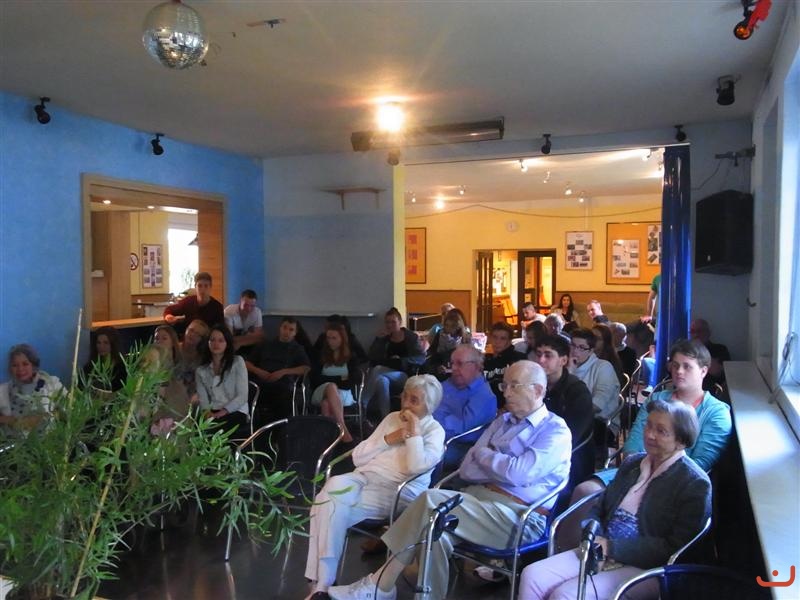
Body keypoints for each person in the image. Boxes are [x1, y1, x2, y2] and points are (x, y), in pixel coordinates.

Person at [327, 361, 572, 600]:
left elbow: (518, 473)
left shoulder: (555, 430)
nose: (506, 392)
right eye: (504, 385)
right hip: (476, 499)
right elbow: (467, 469)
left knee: (430, 500)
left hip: (520, 516)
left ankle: (380, 584)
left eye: (514, 386)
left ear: (537, 390)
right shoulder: (502, 422)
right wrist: (501, 465)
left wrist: (485, 455)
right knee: (435, 534)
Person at [520, 399, 711, 600]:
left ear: (681, 441)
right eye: (648, 425)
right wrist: (594, 539)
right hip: (600, 549)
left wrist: (613, 548)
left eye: (661, 431)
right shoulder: (633, 464)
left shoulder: (694, 483)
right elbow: (600, 507)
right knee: (532, 575)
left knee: (566, 595)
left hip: (648, 568)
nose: (649, 434)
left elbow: (675, 547)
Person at [303, 375, 445, 600]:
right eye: (405, 397)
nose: (406, 404)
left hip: (398, 490)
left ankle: (320, 583)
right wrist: (390, 438)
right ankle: (323, 583)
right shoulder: (391, 419)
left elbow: (414, 466)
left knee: (325, 507)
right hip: (363, 477)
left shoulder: (435, 431)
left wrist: (413, 433)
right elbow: (358, 457)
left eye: (414, 400)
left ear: (429, 406)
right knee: (331, 490)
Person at [571, 338, 732, 502]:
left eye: (687, 366)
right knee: (584, 490)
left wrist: (652, 477)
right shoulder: (657, 398)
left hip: (678, 483)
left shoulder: (716, 412)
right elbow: (634, 442)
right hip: (637, 470)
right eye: (675, 365)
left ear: (703, 371)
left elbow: (700, 464)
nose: (679, 371)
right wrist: (639, 473)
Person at [534, 335, 595, 493]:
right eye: (538, 354)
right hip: (536, 450)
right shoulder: (533, 386)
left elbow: (570, 437)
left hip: (569, 458)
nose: (540, 360)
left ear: (563, 360)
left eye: (548, 355)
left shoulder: (577, 392)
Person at [433, 344, 497, 469]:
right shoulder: (449, 383)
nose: (453, 368)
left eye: (459, 363)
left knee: (416, 454)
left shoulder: (484, 396)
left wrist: (428, 422)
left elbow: (460, 429)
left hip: (458, 445)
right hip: (431, 434)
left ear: (477, 366)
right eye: (452, 363)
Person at [361, 308, 425, 420]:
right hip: (385, 373)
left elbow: (421, 358)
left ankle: (362, 402)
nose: (390, 325)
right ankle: (386, 418)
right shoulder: (384, 339)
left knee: (378, 369)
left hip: (404, 375)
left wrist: (401, 360)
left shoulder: (411, 337)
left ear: (400, 322)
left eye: (393, 322)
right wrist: (378, 340)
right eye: (387, 322)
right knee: (382, 381)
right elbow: (371, 357)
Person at [246, 316, 311, 422]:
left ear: (295, 333)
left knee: (284, 393)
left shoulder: (297, 349)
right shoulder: (265, 344)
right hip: (261, 379)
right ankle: (252, 425)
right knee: (248, 389)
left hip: (283, 382)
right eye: (285, 327)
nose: (287, 332)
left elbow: (306, 368)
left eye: (291, 330)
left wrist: (284, 372)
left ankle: (280, 427)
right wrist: (258, 371)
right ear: (280, 328)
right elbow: (247, 363)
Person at [310, 323, 362, 443]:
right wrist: (340, 379)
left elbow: (352, 381)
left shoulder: (351, 357)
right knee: (331, 386)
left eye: (334, 338)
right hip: (321, 391)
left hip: (344, 393)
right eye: (328, 338)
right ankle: (343, 431)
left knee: (326, 404)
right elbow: (315, 379)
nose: (330, 341)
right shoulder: (321, 355)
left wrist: (328, 378)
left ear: (342, 339)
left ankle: (329, 441)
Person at [194, 324, 249, 436]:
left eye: (220, 340)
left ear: (227, 343)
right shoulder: (201, 371)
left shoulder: (237, 362)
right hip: (213, 410)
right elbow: (203, 399)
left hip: (235, 410)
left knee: (212, 431)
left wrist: (223, 411)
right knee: (195, 430)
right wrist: (207, 413)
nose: (216, 344)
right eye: (212, 340)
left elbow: (242, 396)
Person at [0, 344, 63, 437]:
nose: (20, 369)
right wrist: (9, 420)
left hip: (49, 442)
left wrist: (46, 417)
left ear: (33, 365)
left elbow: (70, 408)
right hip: (14, 443)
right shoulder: (3, 390)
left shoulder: (51, 384)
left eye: (25, 364)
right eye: (15, 365)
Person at [568, 328, 621, 433]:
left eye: (581, 348)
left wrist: (569, 411)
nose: (575, 351)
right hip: (570, 418)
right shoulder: (565, 365)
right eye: (573, 345)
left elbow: (598, 405)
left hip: (600, 423)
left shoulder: (603, 367)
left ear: (591, 351)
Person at [149, 325, 190, 433]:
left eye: (164, 338)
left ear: (172, 342)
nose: (159, 341)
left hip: (175, 408)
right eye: (156, 338)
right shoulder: (151, 364)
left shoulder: (179, 364)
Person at [483, 321, 525, 408]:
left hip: (509, 407)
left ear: (509, 341)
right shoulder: (484, 360)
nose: (497, 342)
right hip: (485, 406)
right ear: (490, 338)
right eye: (495, 337)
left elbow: (521, 389)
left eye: (503, 338)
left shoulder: (518, 359)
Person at [424, 308, 471, 380]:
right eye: (446, 325)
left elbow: (470, 358)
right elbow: (432, 354)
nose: (448, 328)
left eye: (452, 326)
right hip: (441, 370)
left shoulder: (465, 337)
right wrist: (437, 367)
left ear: (458, 326)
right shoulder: (440, 334)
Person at [689, 318, 731, 391]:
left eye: (699, 331)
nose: (696, 335)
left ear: (708, 333)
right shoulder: (685, 351)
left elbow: (717, 372)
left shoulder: (720, 349)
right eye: (692, 332)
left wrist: (699, 348)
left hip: (712, 391)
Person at [82, 325, 126, 391]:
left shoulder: (121, 368)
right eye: (98, 343)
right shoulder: (90, 366)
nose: (101, 346)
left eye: (106, 343)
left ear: (113, 345)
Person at [223, 289, 264, 355]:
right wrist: (248, 337)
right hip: (233, 344)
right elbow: (229, 337)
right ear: (240, 302)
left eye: (252, 306)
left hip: (245, 343)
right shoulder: (229, 311)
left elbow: (258, 337)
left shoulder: (257, 312)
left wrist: (240, 342)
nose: (249, 309)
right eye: (246, 305)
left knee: (262, 340)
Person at [177, 319, 209, 399]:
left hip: (194, 397)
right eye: (191, 330)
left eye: (198, 334)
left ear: (202, 339)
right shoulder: (174, 350)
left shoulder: (203, 358)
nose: (192, 335)